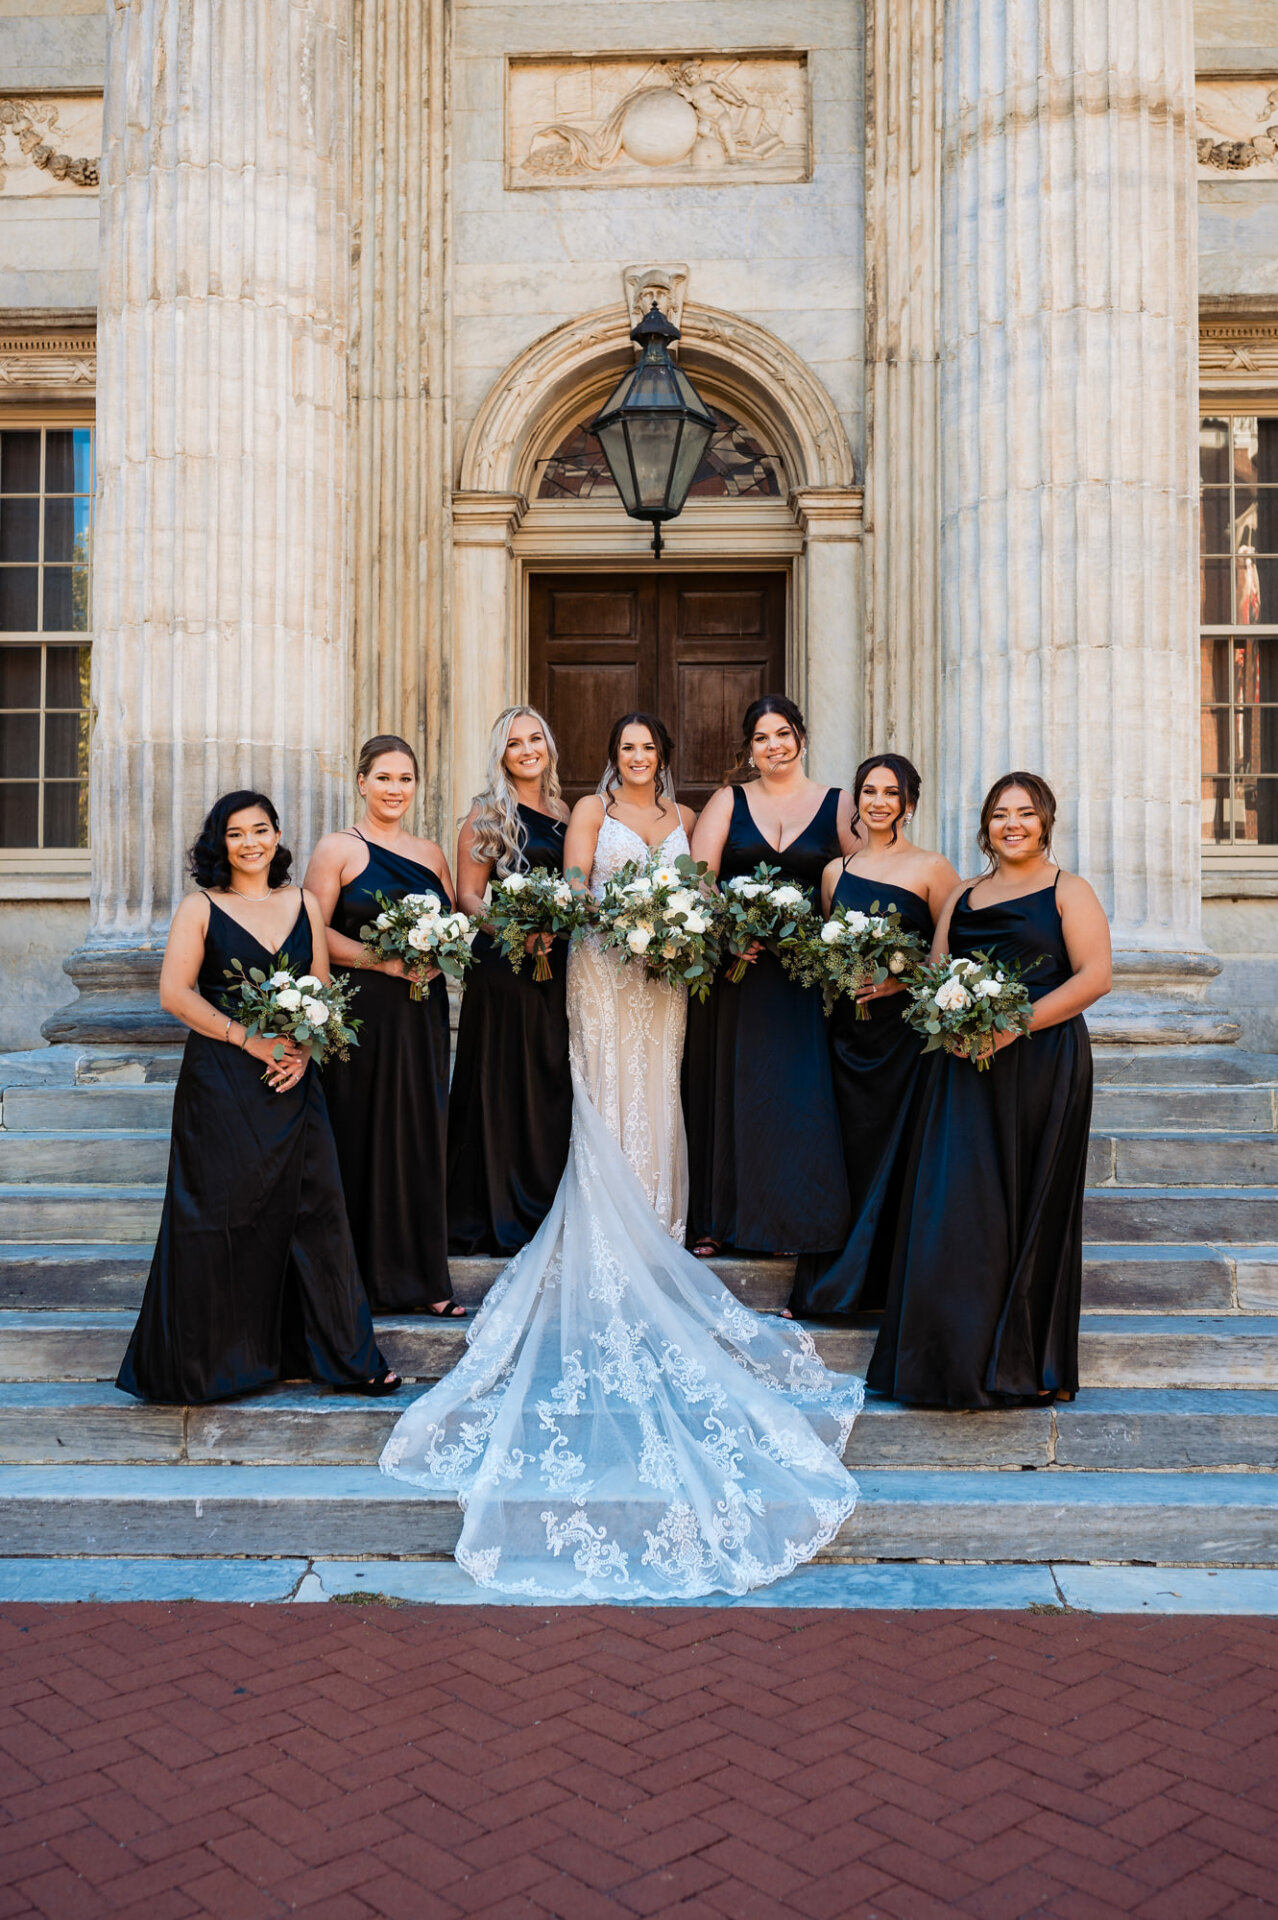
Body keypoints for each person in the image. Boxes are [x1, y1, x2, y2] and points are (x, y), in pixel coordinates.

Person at [380, 713, 863, 1601]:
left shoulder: (682, 819)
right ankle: (610, 1214)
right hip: (603, 968)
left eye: (649, 749)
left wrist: (675, 931)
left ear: (663, 759)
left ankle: (660, 1218)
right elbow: (573, 895)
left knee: (659, 1087)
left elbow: (704, 891)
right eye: (627, 749)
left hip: (665, 978)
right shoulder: (589, 818)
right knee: (602, 1089)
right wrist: (625, 919)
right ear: (611, 758)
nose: (638, 759)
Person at [117, 791, 398, 1404]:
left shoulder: (302, 903)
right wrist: (250, 1039)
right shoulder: (201, 907)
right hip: (222, 1082)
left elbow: (322, 989)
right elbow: (175, 993)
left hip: (295, 1081)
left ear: (277, 836)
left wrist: (302, 1049)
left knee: (318, 1213)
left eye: (261, 830)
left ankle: (348, 1359)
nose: (250, 843)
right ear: (221, 844)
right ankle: (213, 1366)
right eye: (237, 833)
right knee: (222, 1216)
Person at [868, 772, 1111, 1408]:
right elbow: (940, 971)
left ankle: (1030, 1364)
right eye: (1000, 814)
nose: (1012, 824)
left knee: (1032, 1203)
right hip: (962, 1066)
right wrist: (916, 995)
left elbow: (1095, 977)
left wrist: (1012, 1028)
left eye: (1025, 814)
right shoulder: (965, 895)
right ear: (985, 826)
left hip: (1041, 1062)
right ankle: (950, 1361)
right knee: (960, 1208)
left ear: (1046, 821)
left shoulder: (1069, 891)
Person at [682, 695, 859, 1259]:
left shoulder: (838, 803)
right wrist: (731, 930)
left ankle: (793, 1222)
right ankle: (716, 1219)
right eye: (761, 738)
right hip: (738, 971)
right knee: (730, 1091)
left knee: (796, 1096)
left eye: (782, 733)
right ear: (749, 749)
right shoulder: (727, 801)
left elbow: (862, 879)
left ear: (801, 738)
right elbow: (699, 881)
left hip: (805, 981)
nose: (773, 746)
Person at [787, 756, 960, 1319]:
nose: (879, 801)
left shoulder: (933, 868)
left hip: (904, 1043)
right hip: (847, 1039)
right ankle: (831, 1288)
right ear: (857, 801)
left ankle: (890, 1289)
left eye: (891, 792)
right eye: (869, 791)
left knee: (898, 1156)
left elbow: (952, 958)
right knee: (846, 1157)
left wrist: (897, 980)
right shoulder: (836, 871)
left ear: (908, 803)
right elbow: (827, 952)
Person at [304, 736, 461, 1316]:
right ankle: (359, 1283)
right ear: (362, 782)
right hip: (364, 1012)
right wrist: (387, 960)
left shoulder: (432, 853)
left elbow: (452, 927)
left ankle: (423, 1281)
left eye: (406, 779)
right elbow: (313, 932)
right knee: (363, 1135)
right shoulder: (337, 849)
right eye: (385, 778)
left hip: (421, 1013)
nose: (396, 789)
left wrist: (438, 949)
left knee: (419, 1136)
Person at [448, 707, 573, 1255]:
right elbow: (468, 897)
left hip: (558, 961)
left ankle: (544, 1200)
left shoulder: (565, 809)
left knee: (549, 1081)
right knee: (505, 1081)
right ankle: (497, 1207)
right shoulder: (487, 812)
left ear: (548, 745)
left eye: (535, 739)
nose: (527, 750)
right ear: (501, 754)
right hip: (504, 964)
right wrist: (515, 931)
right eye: (514, 742)